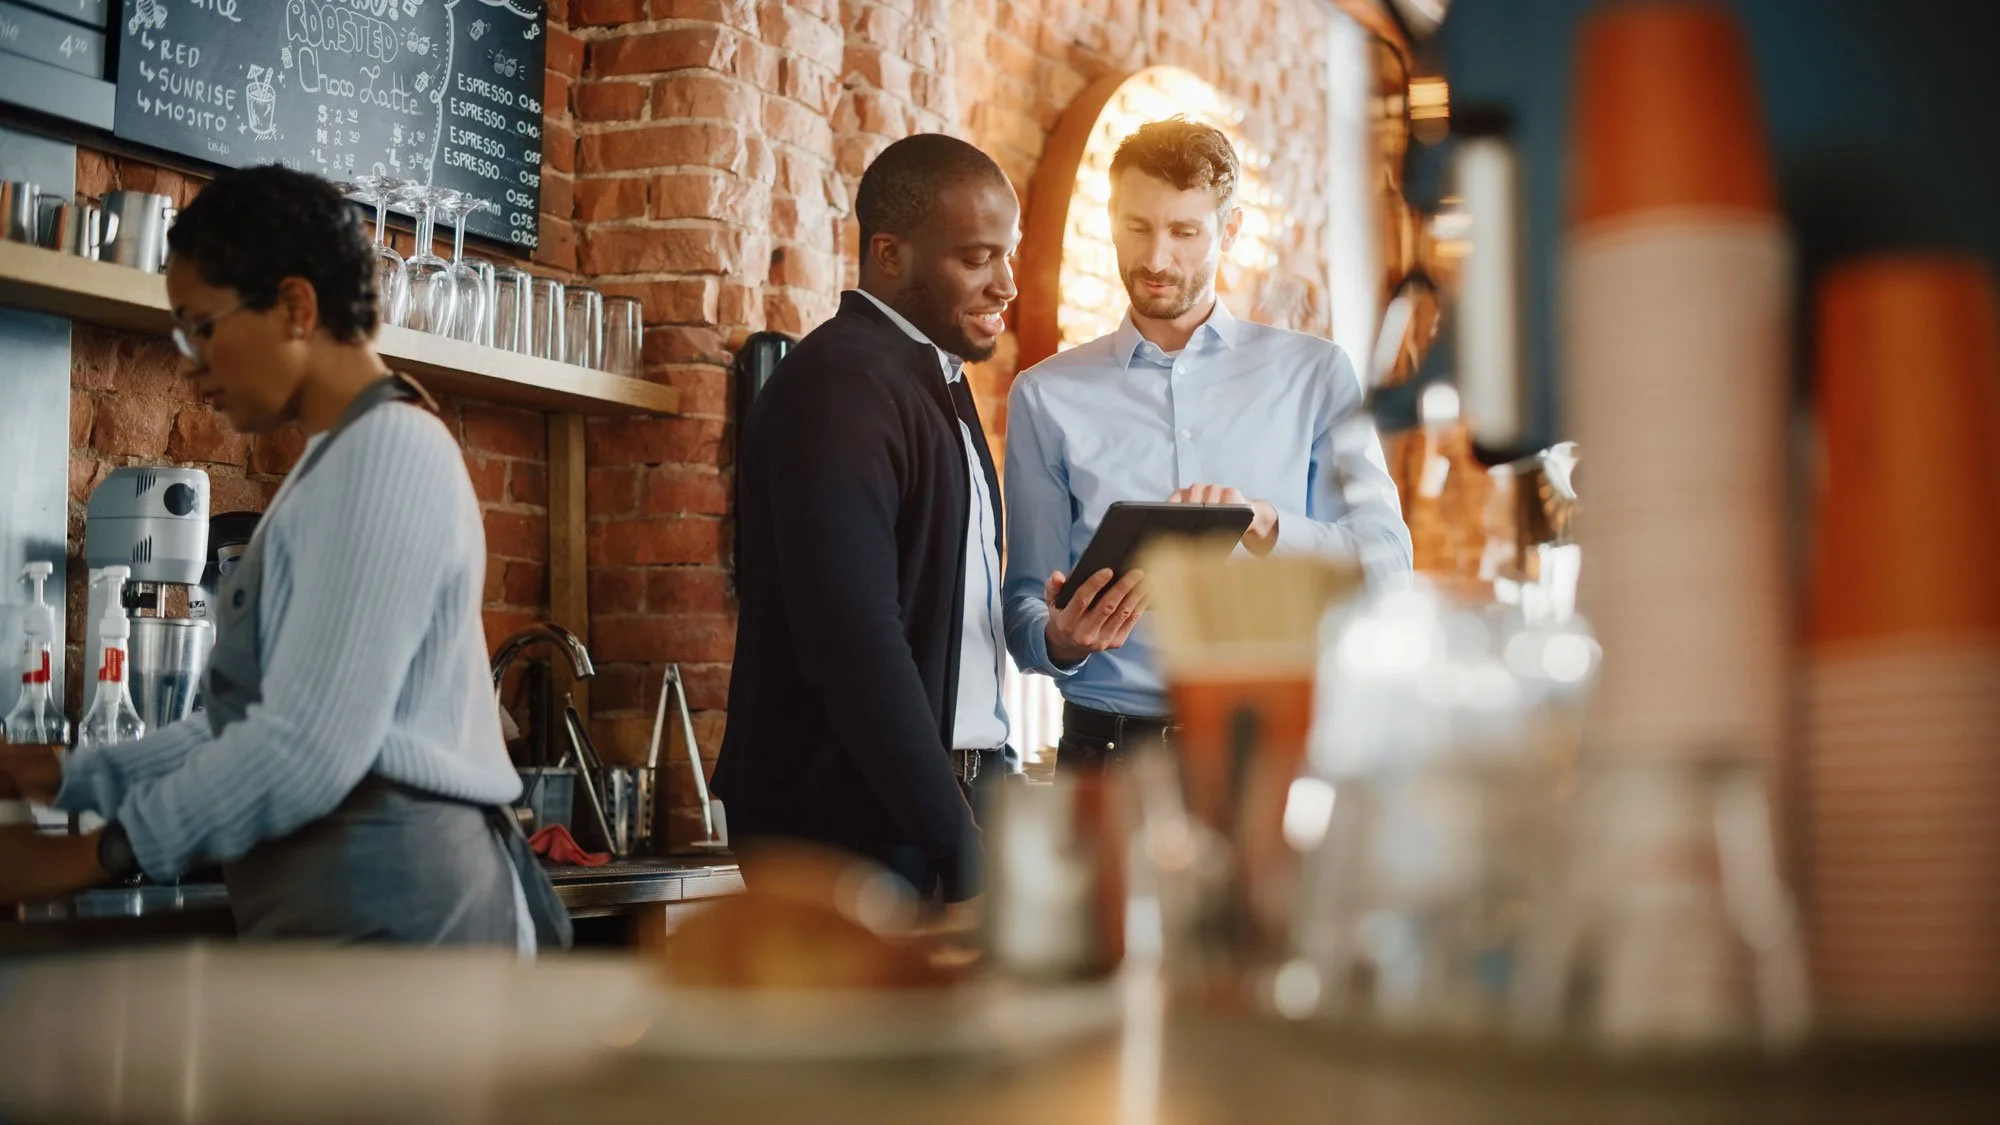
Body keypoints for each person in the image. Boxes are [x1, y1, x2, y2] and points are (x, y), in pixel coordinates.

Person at [0, 165, 568, 951]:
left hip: (407, 918)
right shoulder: (335, 463)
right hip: (346, 915)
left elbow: (306, 747)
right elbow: (242, 726)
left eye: (202, 326)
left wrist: (85, 853)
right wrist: (71, 776)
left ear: (296, 306)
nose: (193, 362)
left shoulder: (389, 452)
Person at [715, 135, 1122, 902]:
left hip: (939, 810)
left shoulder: (935, 380)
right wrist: (960, 845)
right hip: (851, 834)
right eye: (977, 258)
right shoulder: (842, 384)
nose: (1007, 284)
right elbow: (855, 642)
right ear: (890, 254)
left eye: (1009, 255)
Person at [1003, 118, 1413, 770]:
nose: (1156, 258)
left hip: (1276, 750)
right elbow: (1023, 603)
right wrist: (1061, 636)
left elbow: (1389, 561)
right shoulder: (1045, 394)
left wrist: (1270, 524)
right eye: (1136, 227)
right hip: (1107, 757)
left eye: (1185, 232)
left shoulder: (1316, 374)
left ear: (1231, 230)